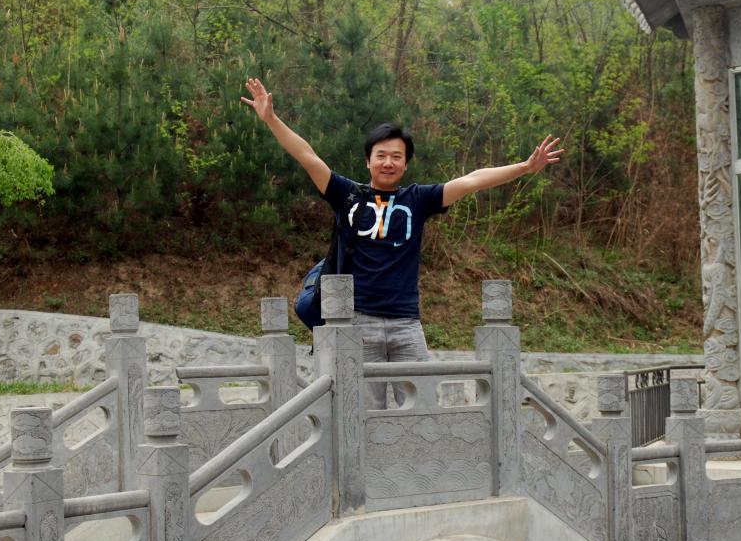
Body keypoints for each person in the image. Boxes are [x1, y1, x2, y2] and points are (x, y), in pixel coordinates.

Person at [241, 77, 563, 406]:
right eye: (381, 155)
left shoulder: (418, 199)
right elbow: (307, 156)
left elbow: (472, 180)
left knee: (420, 410)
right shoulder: (347, 194)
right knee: (362, 415)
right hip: (357, 324)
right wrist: (271, 119)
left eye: (396, 156)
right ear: (368, 161)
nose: (388, 162)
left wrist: (525, 167)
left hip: (406, 324)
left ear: (405, 164)